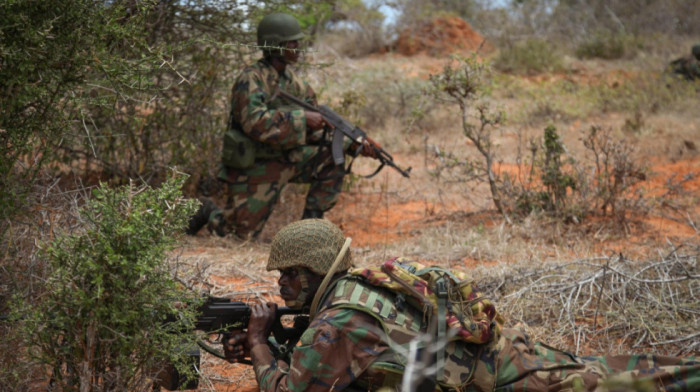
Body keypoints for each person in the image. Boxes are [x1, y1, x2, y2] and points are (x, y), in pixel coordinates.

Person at [223, 219, 700, 391]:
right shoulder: (355, 290)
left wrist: (262, 346)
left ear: (313, 274)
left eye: (290, 275)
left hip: (505, 378)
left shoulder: (337, 322)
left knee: (628, 382)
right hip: (499, 355)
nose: (281, 284)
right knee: (617, 368)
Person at [186, 12, 379, 239]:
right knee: (235, 235)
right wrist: (302, 118)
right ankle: (207, 211)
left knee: (331, 157)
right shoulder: (251, 79)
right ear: (275, 45)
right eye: (292, 42)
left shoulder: (296, 84)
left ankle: (308, 234)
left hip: (288, 158)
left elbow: (316, 131)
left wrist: (350, 143)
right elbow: (254, 123)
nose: (298, 47)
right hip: (255, 166)